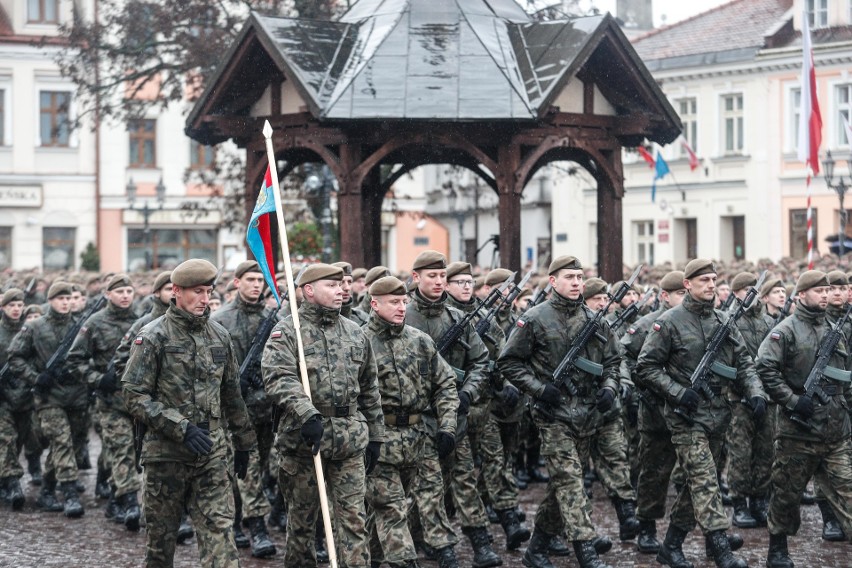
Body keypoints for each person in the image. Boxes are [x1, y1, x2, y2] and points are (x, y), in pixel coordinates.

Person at [122, 259, 257, 568]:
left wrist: (244, 442)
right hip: (166, 456)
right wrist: (180, 427)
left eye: (208, 291)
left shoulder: (219, 336)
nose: (205, 299)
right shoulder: (153, 336)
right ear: (177, 292)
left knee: (220, 538)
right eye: (197, 292)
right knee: (161, 546)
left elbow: (232, 394)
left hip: (210, 453)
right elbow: (133, 395)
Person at [636, 259, 765, 568]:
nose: (711, 284)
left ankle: (671, 546)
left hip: (719, 415)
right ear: (688, 285)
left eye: (713, 279)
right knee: (705, 482)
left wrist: (755, 391)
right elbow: (646, 366)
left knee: (697, 486)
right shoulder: (669, 322)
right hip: (685, 418)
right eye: (704, 280)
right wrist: (679, 392)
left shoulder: (724, 320)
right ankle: (721, 548)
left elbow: (744, 363)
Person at [262, 263, 384, 568]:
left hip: (349, 441)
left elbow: (369, 386)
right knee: (302, 525)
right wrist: (307, 413)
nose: (341, 289)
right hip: (304, 441)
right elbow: (278, 377)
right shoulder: (288, 332)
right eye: (331, 285)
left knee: (354, 521)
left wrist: (376, 436)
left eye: (342, 284)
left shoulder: (355, 332)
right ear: (308, 291)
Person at [498, 255, 617, 568]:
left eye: (580, 277)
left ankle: (536, 550)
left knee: (562, 486)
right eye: (569, 277)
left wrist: (610, 387)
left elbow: (613, 363)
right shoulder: (535, 318)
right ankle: (586, 549)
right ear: (553, 281)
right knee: (571, 482)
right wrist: (539, 389)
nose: (577, 283)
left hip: (587, 416)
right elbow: (508, 361)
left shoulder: (595, 319)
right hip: (553, 416)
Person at [404, 251, 495, 568]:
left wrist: (468, 392)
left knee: (464, 479)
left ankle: (480, 541)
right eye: (432, 276)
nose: (439, 282)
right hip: (414, 419)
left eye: (442, 276)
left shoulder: (458, 319)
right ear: (416, 278)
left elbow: (481, 363)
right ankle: (434, 543)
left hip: (452, 414)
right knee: (426, 486)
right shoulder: (402, 318)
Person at [756, 269, 852, 567]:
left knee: (848, 490)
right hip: (797, 433)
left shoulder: (835, 330)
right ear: (801, 295)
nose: (825, 295)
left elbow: (844, 380)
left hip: (835, 432)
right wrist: (793, 400)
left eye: (828, 291)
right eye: (818, 291)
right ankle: (778, 549)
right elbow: (765, 369)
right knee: (786, 495)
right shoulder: (784, 331)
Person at [363, 275, 459, 568]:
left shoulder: (420, 341)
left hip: (420, 436)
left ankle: (444, 551)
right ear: (374, 304)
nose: (402, 307)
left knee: (432, 499)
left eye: (404, 301)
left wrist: (447, 426)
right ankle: (402, 560)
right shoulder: (358, 342)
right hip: (380, 440)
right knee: (390, 508)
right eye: (394, 302)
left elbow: (445, 384)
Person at [445, 262, 530, 552]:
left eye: (469, 281)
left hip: (485, 406)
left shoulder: (485, 317)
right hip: (452, 409)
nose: (466, 286)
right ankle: (477, 538)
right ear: (446, 285)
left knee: (497, 464)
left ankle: (510, 522)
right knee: (462, 474)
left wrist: (507, 383)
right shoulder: (441, 318)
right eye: (459, 282)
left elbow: (503, 355)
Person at [211, 260, 277, 557]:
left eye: (259, 280)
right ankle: (258, 526)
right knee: (246, 469)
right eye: (249, 279)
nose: (256, 285)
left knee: (256, 468)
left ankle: (237, 518)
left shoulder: (271, 319)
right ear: (236, 282)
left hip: (265, 408)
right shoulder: (220, 319)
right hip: (235, 413)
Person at [66, 273, 141, 530]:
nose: (125, 296)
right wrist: (97, 379)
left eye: (129, 291)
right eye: (119, 292)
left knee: (134, 455)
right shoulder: (95, 323)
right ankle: (131, 501)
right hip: (110, 402)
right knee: (121, 450)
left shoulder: (143, 321)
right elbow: (74, 360)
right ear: (107, 294)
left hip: (141, 402)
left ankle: (116, 497)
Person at [621, 271, 687, 554]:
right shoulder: (647, 325)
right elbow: (624, 358)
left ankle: (706, 534)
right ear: (665, 296)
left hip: (688, 412)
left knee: (698, 476)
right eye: (680, 294)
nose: (685, 299)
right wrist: (637, 391)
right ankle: (646, 528)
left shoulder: (695, 322)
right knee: (653, 473)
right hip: (656, 413)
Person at [7, 281, 87, 517]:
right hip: (48, 398)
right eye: (60, 298)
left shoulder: (82, 326)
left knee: (66, 445)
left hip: (77, 396)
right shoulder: (35, 327)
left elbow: (93, 357)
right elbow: (15, 356)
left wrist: (79, 370)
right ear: (50, 300)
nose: (65, 302)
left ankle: (48, 490)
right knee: (61, 442)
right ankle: (70, 494)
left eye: (68, 298)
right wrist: (35, 377)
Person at [724, 272, 775, 531]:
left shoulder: (768, 321)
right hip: (738, 398)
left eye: (755, 289)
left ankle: (759, 500)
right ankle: (739, 503)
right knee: (740, 452)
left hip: (767, 397)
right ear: (736, 293)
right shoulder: (728, 321)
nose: (752, 295)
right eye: (747, 290)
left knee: (765, 450)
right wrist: (742, 388)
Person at [0, 288, 33, 509]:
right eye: (12, 305)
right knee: (7, 439)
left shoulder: (29, 330)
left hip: (25, 395)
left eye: (20, 305)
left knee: (20, 439)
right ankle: (13, 484)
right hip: (2, 396)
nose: (16, 309)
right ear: (3, 307)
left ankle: (4, 477)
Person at [333, 261, 369, 326]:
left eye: (349, 282)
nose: (347, 288)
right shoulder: (319, 320)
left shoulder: (363, 319)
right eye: (341, 282)